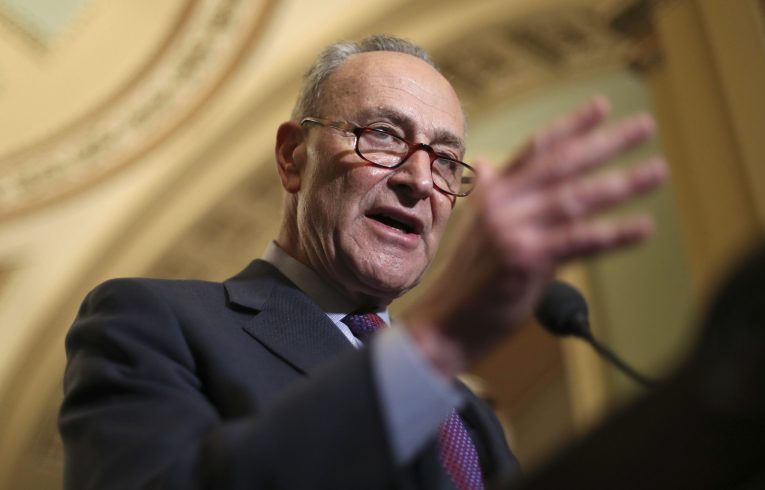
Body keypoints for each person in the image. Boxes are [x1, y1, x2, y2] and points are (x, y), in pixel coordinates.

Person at [59, 35, 667, 490]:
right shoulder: (150, 321)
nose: (420, 179)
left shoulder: (467, 413)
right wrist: (436, 343)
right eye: (382, 135)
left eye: (448, 162)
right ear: (293, 157)